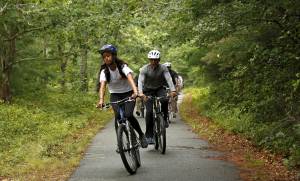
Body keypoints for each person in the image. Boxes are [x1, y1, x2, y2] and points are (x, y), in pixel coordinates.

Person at [96, 44, 148, 149]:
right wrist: (101, 100)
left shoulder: (122, 67)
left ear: (114, 56)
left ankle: (141, 135)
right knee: (118, 117)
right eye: (104, 56)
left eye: (108, 55)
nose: (106, 58)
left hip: (129, 93)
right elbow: (102, 86)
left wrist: (135, 92)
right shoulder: (104, 71)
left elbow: (130, 79)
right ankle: (120, 143)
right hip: (115, 95)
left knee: (128, 115)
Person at [138, 50, 177, 144]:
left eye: (156, 60)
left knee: (164, 100)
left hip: (159, 88)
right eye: (152, 60)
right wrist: (141, 93)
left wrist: (173, 90)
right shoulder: (144, 69)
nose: (154, 62)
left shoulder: (163, 68)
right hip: (148, 90)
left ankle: (164, 118)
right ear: (149, 60)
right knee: (149, 112)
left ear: (159, 60)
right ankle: (149, 135)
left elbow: (169, 79)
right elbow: (140, 82)